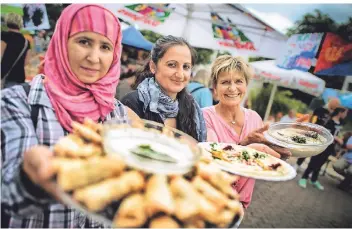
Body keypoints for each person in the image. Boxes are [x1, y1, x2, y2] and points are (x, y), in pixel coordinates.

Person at [1, 4, 140, 228]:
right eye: (83, 41)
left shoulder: (117, 112)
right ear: (61, 41)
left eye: (105, 47)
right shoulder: (17, 102)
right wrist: (31, 179)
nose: (94, 58)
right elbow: (10, 198)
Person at [202, 55, 297, 210]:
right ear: (215, 86)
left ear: (246, 84)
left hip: (239, 204)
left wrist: (285, 146)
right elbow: (214, 159)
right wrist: (245, 144)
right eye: (225, 82)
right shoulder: (204, 116)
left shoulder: (254, 118)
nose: (233, 88)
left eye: (239, 81)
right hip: (210, 197)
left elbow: (268, 158)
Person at [121, 35, 207, 142]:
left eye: (186, 67)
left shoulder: (192, 109)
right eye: (172, 65)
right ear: (153, 66)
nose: (180, 74)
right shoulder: (133, 102)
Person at [298, 107, 348, 191]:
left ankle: (314, 179)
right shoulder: (328, 121)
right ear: (340, 112)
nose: (346, 115)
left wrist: (340, 138)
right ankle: (304, 178)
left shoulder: (340, 123)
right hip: (322, 145)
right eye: (345, 113)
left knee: (320, 164)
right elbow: (324, 132)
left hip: (330, 148)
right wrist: (336, 138)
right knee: (313, 162)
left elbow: (337, 133)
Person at [294, 98, 341, 171]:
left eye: (337, 105)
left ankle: (303, 166)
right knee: (307, 148)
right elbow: (312, 118)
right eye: (336, 104)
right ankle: (297, 164)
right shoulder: (320, 109)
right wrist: (310, 127)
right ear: (332, 103)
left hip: (322, 135)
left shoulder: (333, 114)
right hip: (313, 132)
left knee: (315, 151)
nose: (336, 106)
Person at [1, 13, 31, 88]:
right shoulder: (26, 42)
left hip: (4, 77)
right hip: (19, 78)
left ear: (7, 22)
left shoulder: (3, 36)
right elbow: (26, 62)